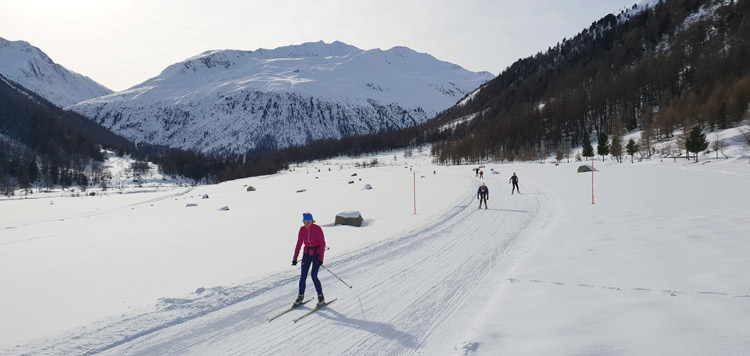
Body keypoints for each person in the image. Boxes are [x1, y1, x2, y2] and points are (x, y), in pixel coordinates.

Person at [292, 212, 326, 307]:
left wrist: (321, 259)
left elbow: (322, 244)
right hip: (307, 254)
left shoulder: (317, 229)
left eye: (308, 221)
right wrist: (295, 258)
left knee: (314, 276)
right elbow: (299, 244)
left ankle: (321, 297)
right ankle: (300, 296)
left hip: (316, 254)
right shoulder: (302, 230)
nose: (306, 223)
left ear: (312, 221)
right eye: (304, 221)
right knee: (303, 276)